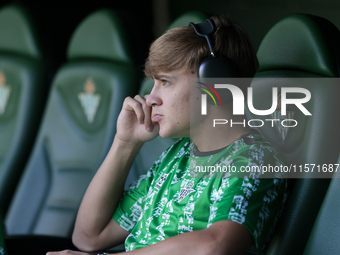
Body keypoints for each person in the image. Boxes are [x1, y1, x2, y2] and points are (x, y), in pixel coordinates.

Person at [48, 15, 288, 255]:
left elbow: (216, 245)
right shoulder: (178, 155)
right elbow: (88, 237)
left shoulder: (254, 160)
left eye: (165, 82)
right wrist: (125, 142)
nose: (150, 98)